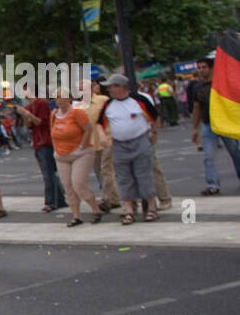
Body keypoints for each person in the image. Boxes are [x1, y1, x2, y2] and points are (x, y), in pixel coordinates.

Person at [97, 74, 159, 224]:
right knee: (123, 177)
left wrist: (154, 133)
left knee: (144, 174)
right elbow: (99, 122)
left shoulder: (139, 100)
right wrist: (102, 137)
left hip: (139, 140)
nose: (109, 89)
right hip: (119, 144)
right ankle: (129, 210)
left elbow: (155, 116)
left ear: (122, 87)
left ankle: (151, 207)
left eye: (112, 86)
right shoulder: (108, 104)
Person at [50, 88, 102, 227]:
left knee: (78, 183)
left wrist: (82, 146)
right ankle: (76, 215)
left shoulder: (77, 113)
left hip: (80, 153)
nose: (59, 100)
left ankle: (95, 209)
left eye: (61, 97)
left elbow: (88, 129)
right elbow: (53, 132)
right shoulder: (54, 114)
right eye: (56, 97)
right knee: (68, 187)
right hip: (62, 154)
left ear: (69, 98)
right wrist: (56, 150)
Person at [190, 55, 240, 195]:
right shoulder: (197, 87)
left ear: (211, 68)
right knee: (208, 156)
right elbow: (196, 107)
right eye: (199, 68)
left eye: (204, 67)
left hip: (225, 123)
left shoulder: (221, 84)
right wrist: (195, 127)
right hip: (208, 124)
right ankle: (213, 184)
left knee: (236, 153)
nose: (201, 70)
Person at [15, 93, 67, 214]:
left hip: (45, 141)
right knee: (50, 172)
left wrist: (27, 114)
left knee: (48, 173)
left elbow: (41, 122)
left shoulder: (41, 103)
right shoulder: (28, 106)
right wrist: (24, 115)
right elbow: (29, 125)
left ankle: (50, 201)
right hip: (37, 141)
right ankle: (59, 199)